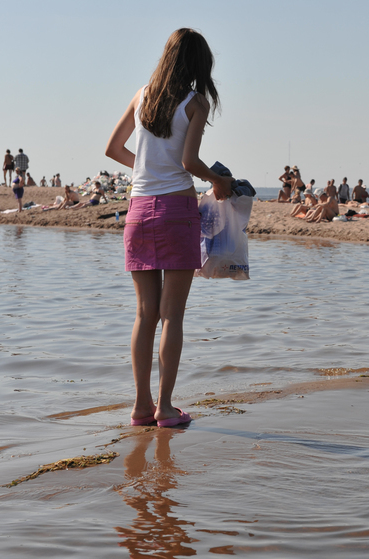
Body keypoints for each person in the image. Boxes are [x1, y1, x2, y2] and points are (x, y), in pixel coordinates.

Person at [105, 28, 233, 428]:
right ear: (198, 65)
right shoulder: (195, 103)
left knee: (145, 314)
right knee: (172, 316)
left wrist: (146, 168)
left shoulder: (141, 95)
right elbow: (190, 163)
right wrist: (220, 182)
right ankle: (165, 408)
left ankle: (141, 408)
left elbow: (112, 148)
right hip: (176, 210)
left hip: (139, 212)